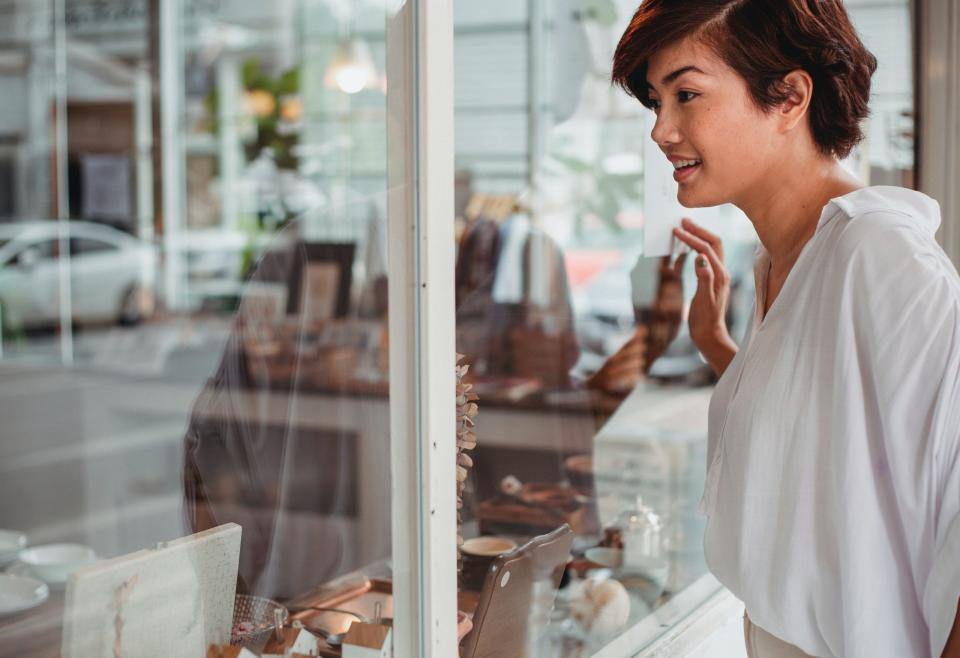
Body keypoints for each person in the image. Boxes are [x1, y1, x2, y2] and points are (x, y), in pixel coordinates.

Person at [612, 1, 960, 657]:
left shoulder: (877, 256)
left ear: (789, 96)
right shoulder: (778, 260)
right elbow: (828, 435)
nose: (661, 130)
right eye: (655, 101)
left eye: (686, 93)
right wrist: (723, 351)